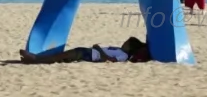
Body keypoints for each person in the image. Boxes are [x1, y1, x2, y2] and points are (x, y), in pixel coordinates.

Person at [20, 37, 150, 64]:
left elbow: (109, 60)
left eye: (126, 43)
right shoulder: (120, 51)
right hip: (88, 52)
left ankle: (34, 59)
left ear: (130, 47)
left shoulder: (124, 56)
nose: (123, 42)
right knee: (60, 57)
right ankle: (33, 58)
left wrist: (98, 48)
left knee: (58, 57)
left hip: (89, 55)